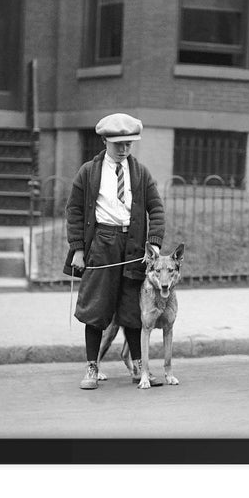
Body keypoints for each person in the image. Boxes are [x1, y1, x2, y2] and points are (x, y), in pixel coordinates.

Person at [63, 113, 165, 390]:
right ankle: (92, 368)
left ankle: (140, 367)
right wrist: (78, 250)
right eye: (118, 143)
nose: (123, 149)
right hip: (101, 244)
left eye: (129, 144)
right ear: (105, 140)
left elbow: (155, 208)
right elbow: (73, 211)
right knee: (96, 307)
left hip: (132, 246)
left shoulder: (141, 173)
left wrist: (153, 243)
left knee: (133, 307)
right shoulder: (89, 172)